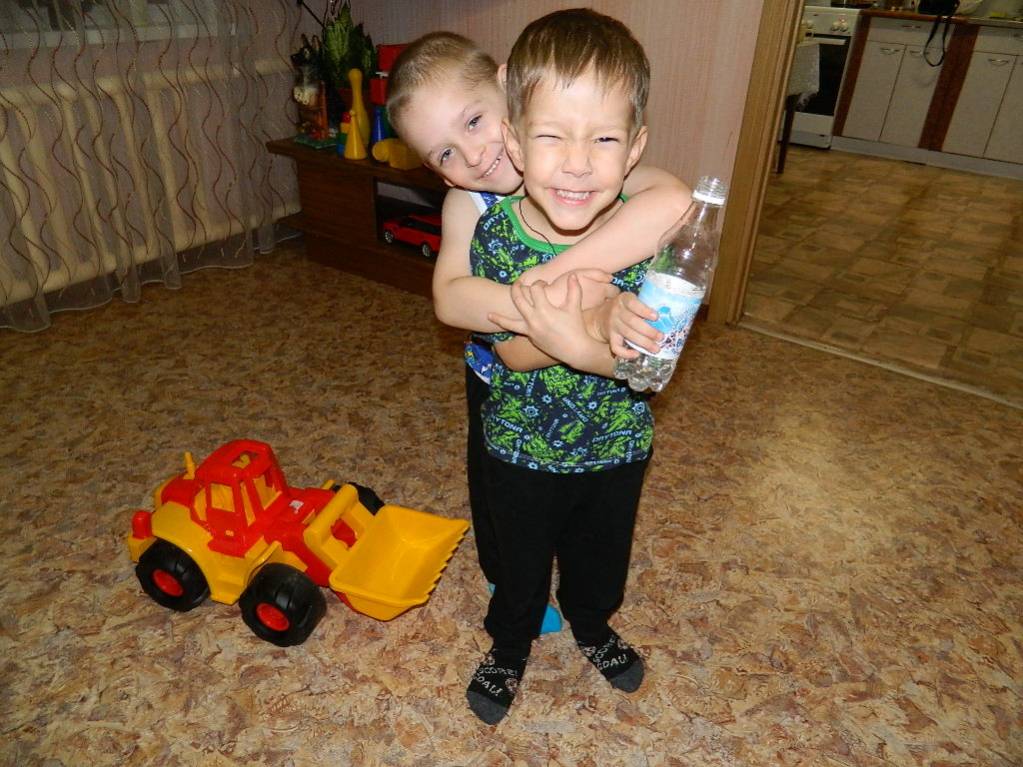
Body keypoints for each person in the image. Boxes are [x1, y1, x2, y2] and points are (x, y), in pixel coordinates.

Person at [386, 29, 685, 631]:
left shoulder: (573, 170)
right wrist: (567, 308)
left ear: (509, 87)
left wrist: (553, 276)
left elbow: (675, 201)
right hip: (495, 379)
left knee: (587, 500)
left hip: (595, 388)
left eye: (474, 122)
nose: (473, 157)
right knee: (496, 487)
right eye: (444, 154)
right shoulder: (467, 203)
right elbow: (451, 298)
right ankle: (503, 573)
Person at [457, 8, 660, 724]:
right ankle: (510, 643)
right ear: (515, 142)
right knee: (518, 562)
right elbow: (513, 350)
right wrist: (597, 319)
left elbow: (655, 358)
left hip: (617, 443)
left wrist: (599, 322)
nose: (578, 163)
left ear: (634, 148)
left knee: (601, 556)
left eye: (603, 138)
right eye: (552, 136)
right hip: (519, 447)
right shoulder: (496, 235)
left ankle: (592, 624)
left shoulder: (646, 233)